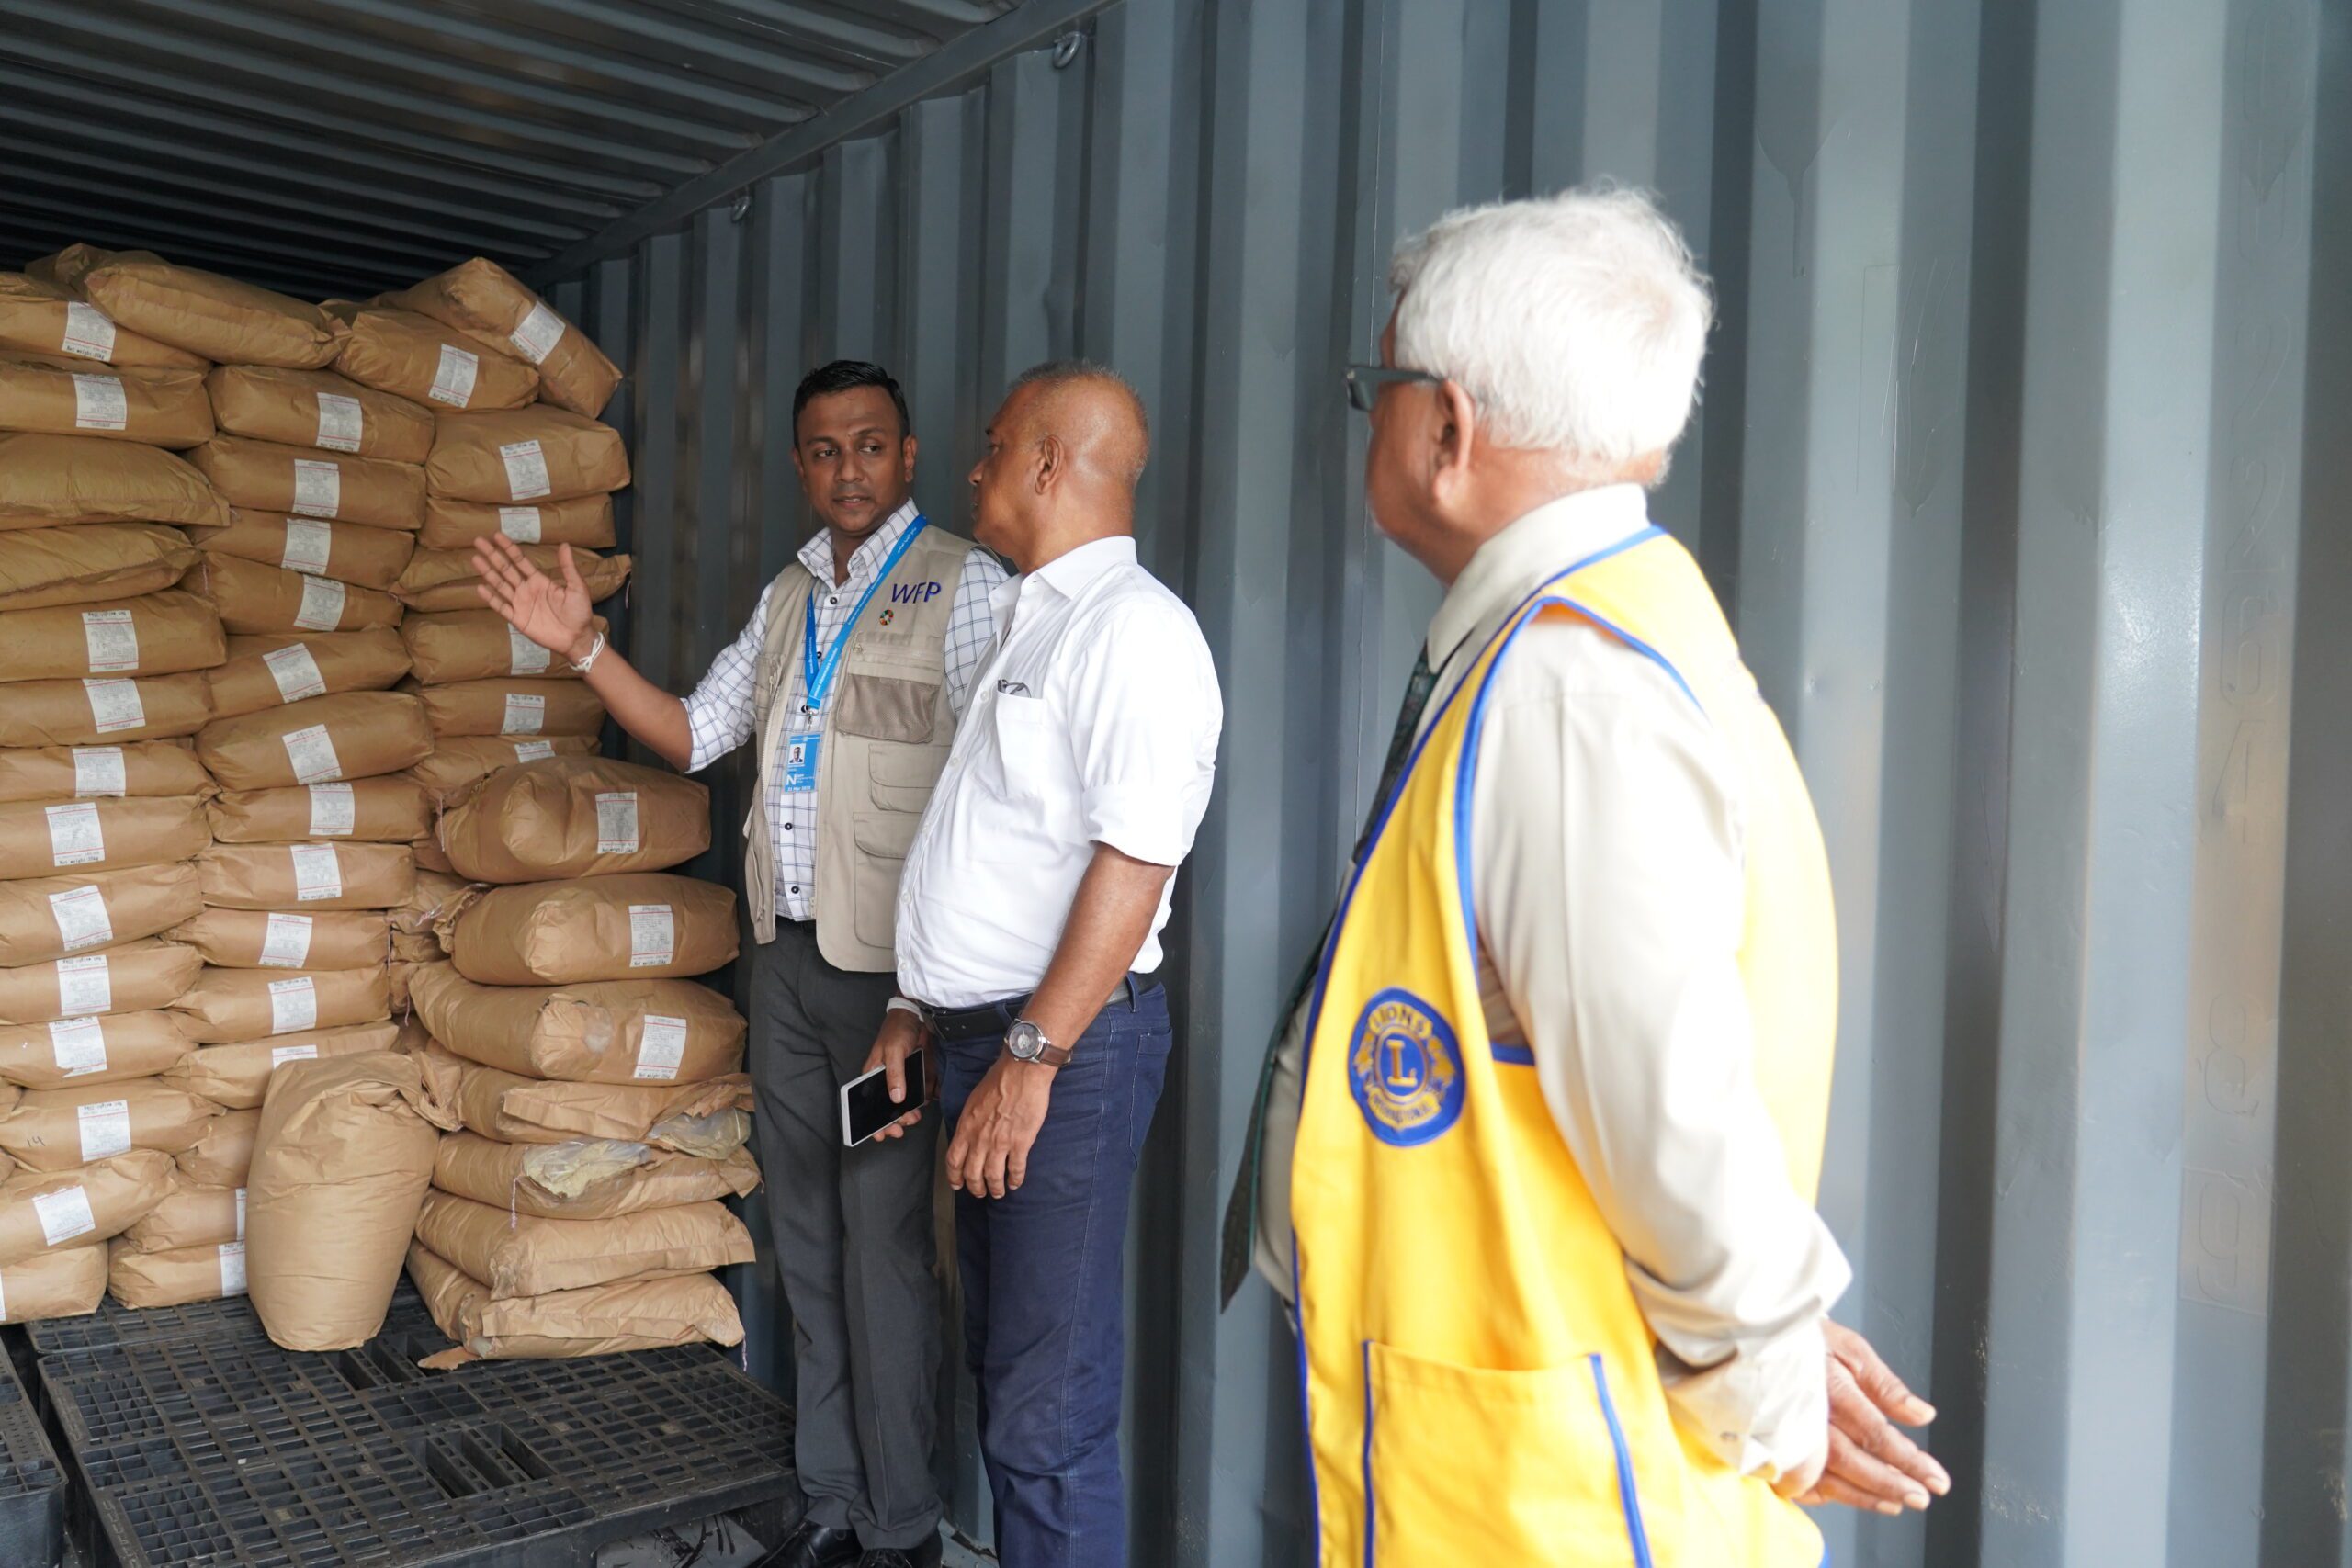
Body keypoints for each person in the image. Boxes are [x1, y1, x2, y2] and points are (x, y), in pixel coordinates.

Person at [1216, 186, 1942, 1565]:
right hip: (1549, 1435)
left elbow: (1667, 1111)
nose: (1371, 418)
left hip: (1558, 1490)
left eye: (1379, 385)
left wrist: (1772, 1379)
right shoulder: (1599, 631)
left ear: (1447, 427)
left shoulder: (1564, 685)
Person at [470, 359, 1007, 1568]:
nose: (850, 469)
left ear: (908, 457)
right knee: (809, 1235)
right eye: (825, 449)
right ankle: (827, 1503)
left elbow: (995, 798)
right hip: (793, 973)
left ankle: (904, 1523)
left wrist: (925, 997)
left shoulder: (969, 590)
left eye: (871, 446)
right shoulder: (789, 599)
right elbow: (695, 732)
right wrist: (583, 649)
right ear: (802, 465)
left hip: (894, 995)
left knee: (884, 1252)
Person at [861, 362, 1221, 1568]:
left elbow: (1137, 861)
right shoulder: (1038, 620)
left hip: (1059, 1053)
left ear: (1050, 464)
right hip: (988, 1044)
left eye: (994, 445)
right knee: (1007, 1370)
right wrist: (918, 1007)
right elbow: (995, 846)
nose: (975, 469)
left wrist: (1031, 1056)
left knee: (1044, 1410)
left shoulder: (1134, 632)